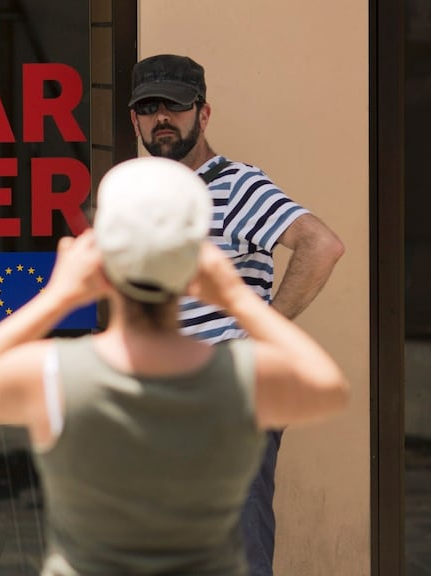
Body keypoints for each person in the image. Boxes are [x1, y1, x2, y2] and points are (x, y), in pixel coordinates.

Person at [0, 156, 350, 576]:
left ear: (100, 252)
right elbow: (327, 386)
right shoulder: (237, 381)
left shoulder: (62, 376)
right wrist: (234, 295)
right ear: (196, 258)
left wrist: (59, 294)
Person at [127, 53, 345, 576]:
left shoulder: (236, 185)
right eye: (148, 107)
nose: (161, 119)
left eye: (175, 107)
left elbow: (321, 245)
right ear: (134, 118)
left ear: (203, 115)